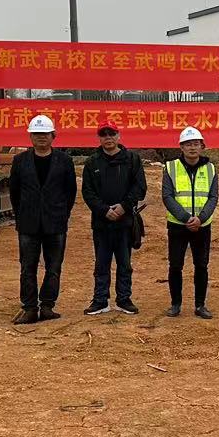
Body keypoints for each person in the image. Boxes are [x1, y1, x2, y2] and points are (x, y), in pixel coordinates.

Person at [8, 114, 76, 323]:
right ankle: (29, 308)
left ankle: (47, 306)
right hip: (28, 224)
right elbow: (14, 192)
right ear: (30, 136)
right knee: (27, 267)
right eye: (36, 134)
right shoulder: (20, 161)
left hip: (55, 223)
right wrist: (22, 215)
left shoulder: (64, 161)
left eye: (45, 133)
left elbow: (70, 192)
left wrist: (62, 214)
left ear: (53, 135)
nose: (41, 137)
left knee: (53, 267)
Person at [81, 122, 146, 315]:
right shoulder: (92, 162)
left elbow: (139, 187)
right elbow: (87, 192)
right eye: (104, 134)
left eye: (112, 134)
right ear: (99, 138)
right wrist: (103, 210)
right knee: (101, 264)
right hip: (101, 223)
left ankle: (124, 299)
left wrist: (124, 206)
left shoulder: (132, 159)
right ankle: (100, 300)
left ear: (118, 136)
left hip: (125, 222)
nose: (108, 138)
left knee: (124, 264)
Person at [162, 126, 218, 319]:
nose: (192, 147)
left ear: (202, 146)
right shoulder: (171, 168)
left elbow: (213, 197)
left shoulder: (211, 169)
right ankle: (175, 304)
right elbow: (167, 196)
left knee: (201, 265)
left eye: (195, 144)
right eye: (188, 144)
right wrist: (186, 218)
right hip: (178, 226)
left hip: (202, 226)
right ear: (181, 147)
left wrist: (200, 218)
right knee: (175, 265)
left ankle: (200, 305)